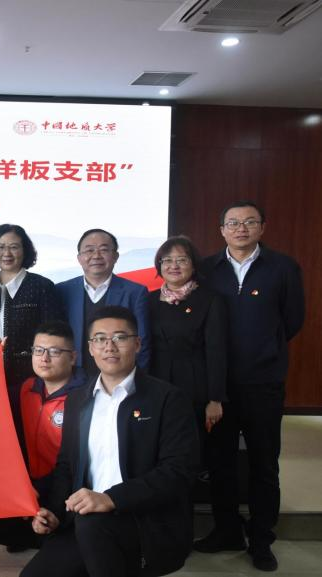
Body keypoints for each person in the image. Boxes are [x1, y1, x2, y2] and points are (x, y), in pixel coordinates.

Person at [19, 306, 196, 577]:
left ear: (137, 344)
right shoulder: (78, 400)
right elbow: (66, 465)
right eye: (100, 339)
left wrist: (111, 499)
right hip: (85, 519)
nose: (109, 347)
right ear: (90, 348)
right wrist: (53, 512)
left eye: (120, 338)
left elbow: (178, 471)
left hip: (142, 520)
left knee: (93, 530)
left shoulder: (167, 399)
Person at [195, 201, 305, 572]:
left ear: (262, 227)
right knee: (220, 462)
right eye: (233, 223)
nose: (241, 228)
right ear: (221, 230)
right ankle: (226, 530)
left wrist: (265, 348)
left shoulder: (283, 267)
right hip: (217, 386)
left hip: (263, 383)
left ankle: (261, 539)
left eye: (249, 222)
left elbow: (292, 319)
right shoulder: (206, 269)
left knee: (263, 463)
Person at [0, 223, 65, 453]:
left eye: (14, 247)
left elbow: (55, 333)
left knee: (28, 438)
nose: (6, 253)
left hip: (31, 378)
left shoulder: (41, 286)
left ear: (25, 250)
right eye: (0, 247)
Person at [148, 236, 227, 470]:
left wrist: (215, 399)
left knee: (190, 451)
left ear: (193, 265)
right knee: (157, 449)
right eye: (167, 260)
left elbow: (217, 350)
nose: (174, 266)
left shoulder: (210, 300)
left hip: (195, 389)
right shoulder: (149, 300)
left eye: (182, 260)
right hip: (156, 385)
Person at [55, 229, 150, 375]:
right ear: (79, 258)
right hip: (72, 377)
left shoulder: (135, 293)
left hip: (119, 377)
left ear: (115, 256)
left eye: (104, 250)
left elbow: (143, 343)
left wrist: (134, 380)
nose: (96, 256)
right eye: (89, 250)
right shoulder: (62, 291)